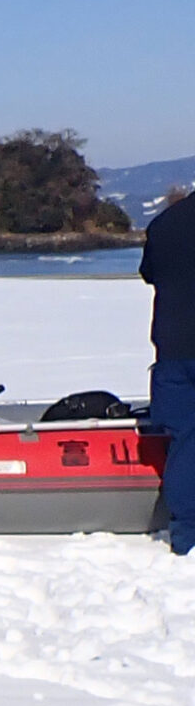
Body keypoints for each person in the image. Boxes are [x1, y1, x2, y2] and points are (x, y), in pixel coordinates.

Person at [149, 191, 195, 556]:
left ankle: (185, 534)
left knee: (184, 442)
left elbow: (149, 272)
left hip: (173, 348)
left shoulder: (166, 222)